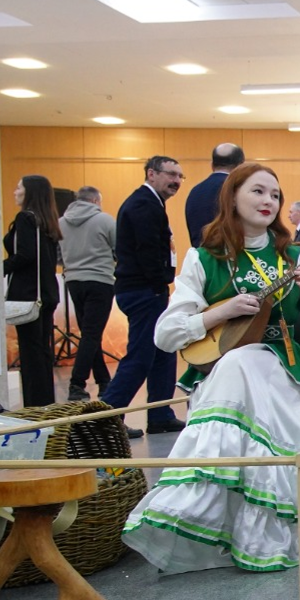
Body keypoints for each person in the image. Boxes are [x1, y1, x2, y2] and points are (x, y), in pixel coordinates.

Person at [121, 164, 300, 573]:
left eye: (275, 195)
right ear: (232, 197)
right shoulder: (203, 257)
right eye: (258, 191)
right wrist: (220, 313)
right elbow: (166, 334)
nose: (268, 201)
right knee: (238, 361)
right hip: (225, 376)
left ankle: (249, 530)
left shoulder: (297, 256)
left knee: (244, 361)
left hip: (283, 375)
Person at [101, 156, 187, 436]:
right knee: (141, 356)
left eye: (180, 176)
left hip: (147, 289)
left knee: (164, 351)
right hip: (143, 291)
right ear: (152, 174)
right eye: (171, 174)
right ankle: (106, 419)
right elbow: (147, 251)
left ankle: (161, 414)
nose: (176, 181)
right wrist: (160, 281)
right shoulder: (143, 204)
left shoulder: (151, 203)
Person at [4, 175, 61, 407]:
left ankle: (34, 406)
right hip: (46, 293)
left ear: (30, 192)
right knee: (42, 352)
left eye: (19, 187)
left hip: (28, 295)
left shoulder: (25, 218)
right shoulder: (47, 220)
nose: (15, 192)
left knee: (31, 354)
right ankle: (45, 404)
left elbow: (25, 256)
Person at [58, 186, 116, 401]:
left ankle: (104, 381)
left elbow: (57, 255)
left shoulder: (60, 223)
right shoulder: (105, 220)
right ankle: (77, 384)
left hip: (73, 281)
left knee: (90, 334)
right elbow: (120, 249)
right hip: (100, 281)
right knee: (92, 334)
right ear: (94, 201)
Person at [184, 143, 244, 247]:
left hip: (201, 254)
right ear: (241, 166)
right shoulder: (237, 189)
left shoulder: (195, 191)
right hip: (232, 253)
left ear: (212, 165)